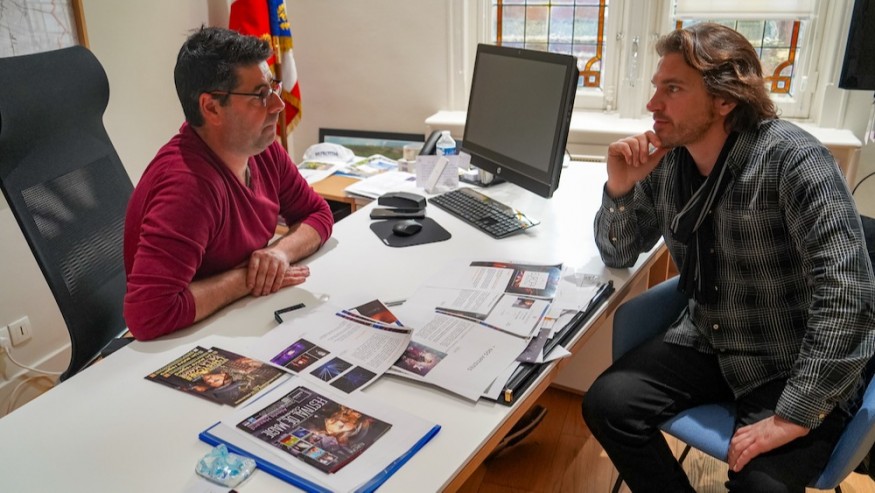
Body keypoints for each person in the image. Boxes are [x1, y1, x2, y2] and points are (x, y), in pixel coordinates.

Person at [582, 23, 875, 492]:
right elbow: (617, 251)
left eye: (672, 89)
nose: (653, 104)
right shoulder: (670, 160)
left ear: (724, 99)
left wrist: (793, 415)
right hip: (711, 338)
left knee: (763, 486)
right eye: (657, 87)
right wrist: (619, 187)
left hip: (793, 356)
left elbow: (848, 295)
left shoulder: (795, 161)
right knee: (607, 404)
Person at [124, 27, 333, 340]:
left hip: (236, 318)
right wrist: (249, 277)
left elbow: (317, 213)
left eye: (273, 88)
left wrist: (279, 254)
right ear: (211, 107)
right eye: (260, 95)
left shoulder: (261, 148)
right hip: (185, 341)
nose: (278, 105)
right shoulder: (187, 185)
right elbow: (148, 314)